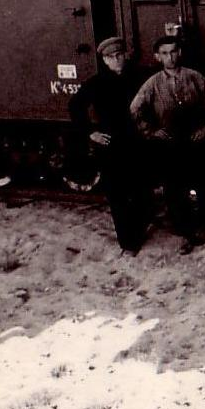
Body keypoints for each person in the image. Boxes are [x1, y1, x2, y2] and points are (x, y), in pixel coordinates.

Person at [129, 35, 205, 254]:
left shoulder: (194, 77)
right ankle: (186, 236)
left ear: (179, 53)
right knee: (175, 192)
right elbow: (135, 109)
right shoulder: (152, 83)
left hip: (195, 142)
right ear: (157, 57)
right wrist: (151, 132)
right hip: (171, 145)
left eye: (173, 52)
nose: (170, 57)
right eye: (164, 53)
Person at [68, 36, 148, 254]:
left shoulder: (140, 77)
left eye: (119, 55)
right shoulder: (96, 83)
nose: (117, 60)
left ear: (126, 55)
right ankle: (129, 243)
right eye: (111, 57)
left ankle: (141, 227)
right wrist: (90, 132)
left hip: (138, 142)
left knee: (141, 189)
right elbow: (75, 107)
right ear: (104, 60)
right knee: (117, 195)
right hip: (112, 145)